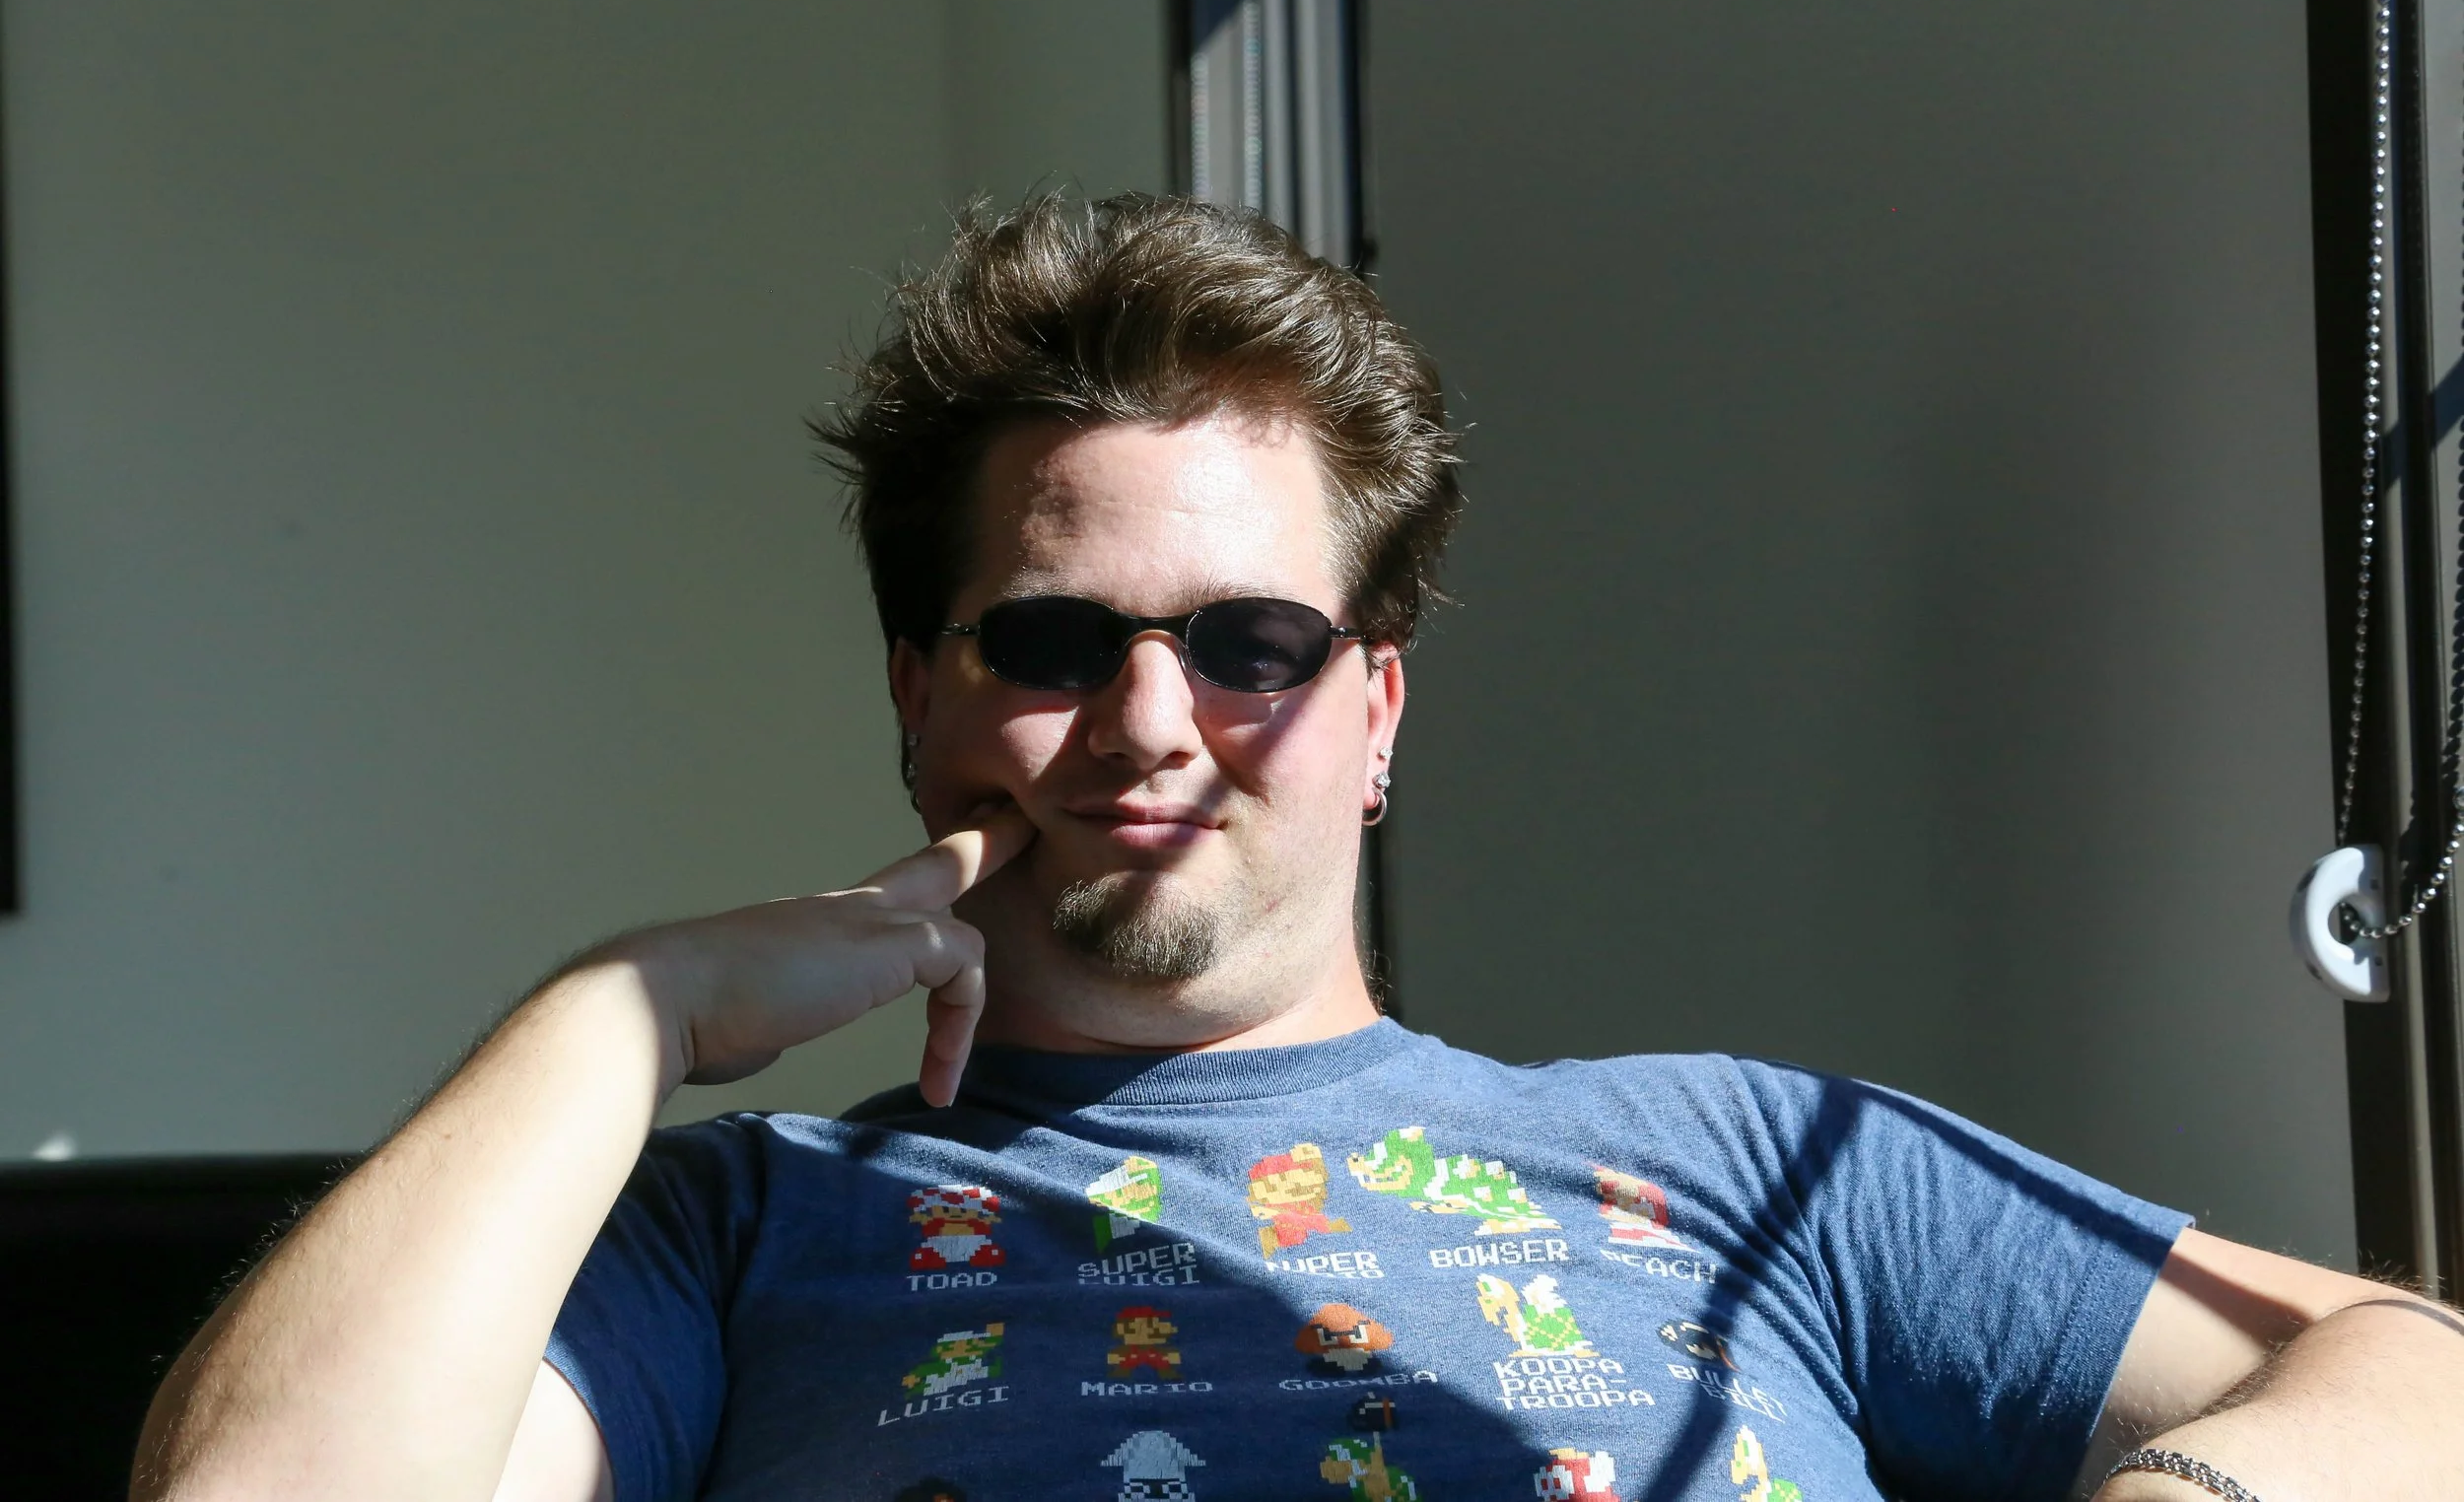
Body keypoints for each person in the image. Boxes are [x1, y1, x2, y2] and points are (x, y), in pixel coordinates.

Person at [133, 194, 2463, 1502]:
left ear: (1374, 706)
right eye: (1051, 634)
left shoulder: (1747, 1161)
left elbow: (2408, 1371)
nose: (1153, 721)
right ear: (920, 690)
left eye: (1249, 639)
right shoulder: (734, 1237)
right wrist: (620, 1006)